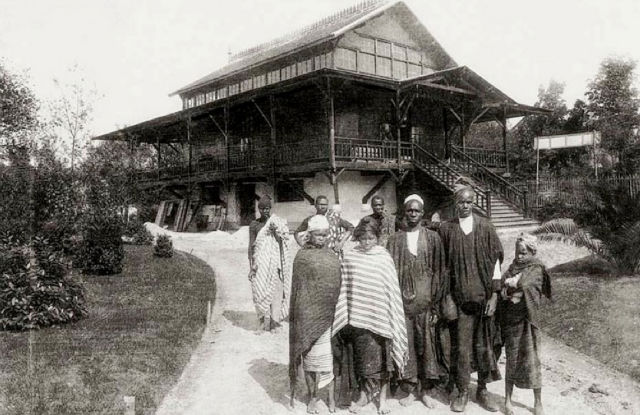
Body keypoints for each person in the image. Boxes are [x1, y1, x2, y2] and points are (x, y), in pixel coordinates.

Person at [332, 217, 408, 414]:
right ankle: (364, 395)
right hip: (358, 318)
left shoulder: (383, 257)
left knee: (383, 362)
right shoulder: (350, 256)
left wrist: (387, 315)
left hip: (380, 318)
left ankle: (382, 400)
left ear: (377, 237)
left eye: (371, 238)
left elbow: (390, 288)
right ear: (358, 238)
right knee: (361, 361)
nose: (366, 242)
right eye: (363, 238)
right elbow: (346, 286)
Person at [438, 185, 504, 413]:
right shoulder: (447, 229)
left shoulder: (485, 227)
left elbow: (496, 262)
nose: (465, 205)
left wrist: (495, 294)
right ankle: (463, 391)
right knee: (463, 349)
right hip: (460, 301)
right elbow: (442, 266)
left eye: (469, 201)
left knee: (485, 346)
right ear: (455, 203)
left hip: (484, 300)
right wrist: (447, 297)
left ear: (473, 202)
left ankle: (483, 390)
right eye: (461, 202)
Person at [386, 194, 450, 408]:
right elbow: (388, 272)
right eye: (409, 210)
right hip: (403, 306)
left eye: (417, 210)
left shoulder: (433, 238)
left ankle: (427, 390)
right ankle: (410, 389)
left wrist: (435, 304)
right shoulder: (394, 240)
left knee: (428, 347)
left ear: (423, 213)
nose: (413, 213)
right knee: (408, 346)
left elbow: (440, 272)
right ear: (405, 212)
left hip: (426, 304)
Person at [289, 215, 342, 414]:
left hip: (329, 316)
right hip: (308, 316)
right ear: (309, 235)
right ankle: (312, 397)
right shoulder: (302, 257)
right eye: (318, 235)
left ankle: (330, 399)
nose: (322, 238)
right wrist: (304, 312)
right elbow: (299, 289)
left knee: (329, 361)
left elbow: (337, 282)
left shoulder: (331, 256)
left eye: (324, 235)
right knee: (310, 360)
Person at [497, 234, 551, 415]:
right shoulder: (513, 267)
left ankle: (538, 402)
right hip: (512, 321)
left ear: (532, 252)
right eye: (518, 253)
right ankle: (508, 400)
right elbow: (502, 288)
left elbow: (527, 285)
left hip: (529, 320)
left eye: (523, 253)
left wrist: (512, 285)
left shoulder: (536, 268)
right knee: (511, 360)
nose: (519, 257)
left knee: (533, 360)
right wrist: (508, 289)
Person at [248, 196, 292, 332]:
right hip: (260, 264)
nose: (265, 211)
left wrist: (277, 231)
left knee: (276, 292)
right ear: (258, 209)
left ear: (270, 209)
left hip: (275, 263)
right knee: (259, 291)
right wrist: (252, 266)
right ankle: (261, 322)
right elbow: (252, 246)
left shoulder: (277, 222)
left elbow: (285, 240)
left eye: (267, 208)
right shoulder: (254, 225)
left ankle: (274, 322)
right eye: (262, 209)